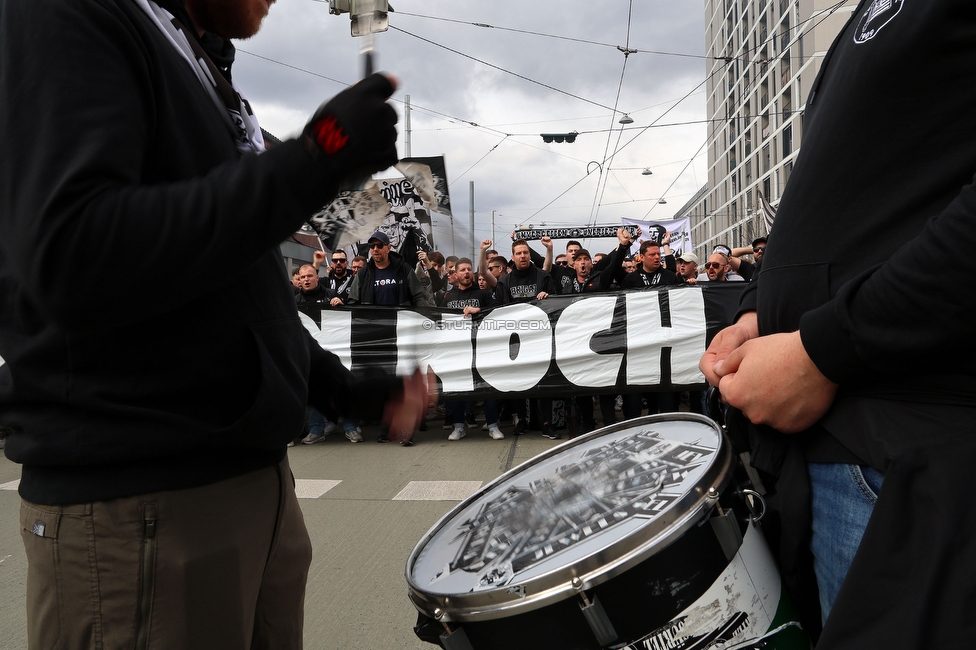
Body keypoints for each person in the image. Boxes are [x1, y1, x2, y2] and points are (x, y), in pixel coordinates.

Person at [0, 1, 428, 648]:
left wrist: (341, 389)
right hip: (144, 511)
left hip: (250, 490)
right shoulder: (67, 14)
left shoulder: (191, 52)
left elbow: (229, 282)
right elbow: (74, 254)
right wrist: (319, 156)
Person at [700, 3, 976, 647]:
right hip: (834, 450)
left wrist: (823, 349)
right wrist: (758, 313)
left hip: (903, 445)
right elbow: (850, 200)